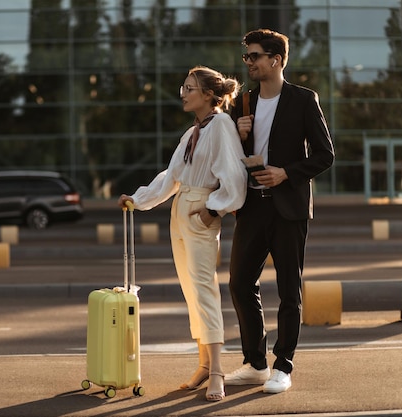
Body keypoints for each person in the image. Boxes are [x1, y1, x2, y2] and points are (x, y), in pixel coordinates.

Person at [118, 66, 247, 402]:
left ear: (208, 94)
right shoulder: (193, 131)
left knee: (205, 289)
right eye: (183, 87)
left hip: (199, 210)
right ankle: (204, 363)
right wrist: (138, 199)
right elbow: (171, 177)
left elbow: (235, 174)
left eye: (190, 88)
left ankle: (218, 369)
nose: (183, 92)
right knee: (191, 290)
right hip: (181, 211)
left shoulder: (220, 125)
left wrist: (213, 209)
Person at [225, 29, 335, 394]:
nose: (249, 63)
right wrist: (240, 137)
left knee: (290, 291)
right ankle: (255, 363)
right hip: (252, 207)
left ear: (276, 59)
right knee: (240, 283)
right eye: (246, 57)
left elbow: (324, 154)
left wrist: (286, 172)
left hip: (289, 209)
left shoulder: (304, 100)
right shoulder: (243, 103)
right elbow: (235, 160)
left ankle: (282, 365)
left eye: (254, 56)